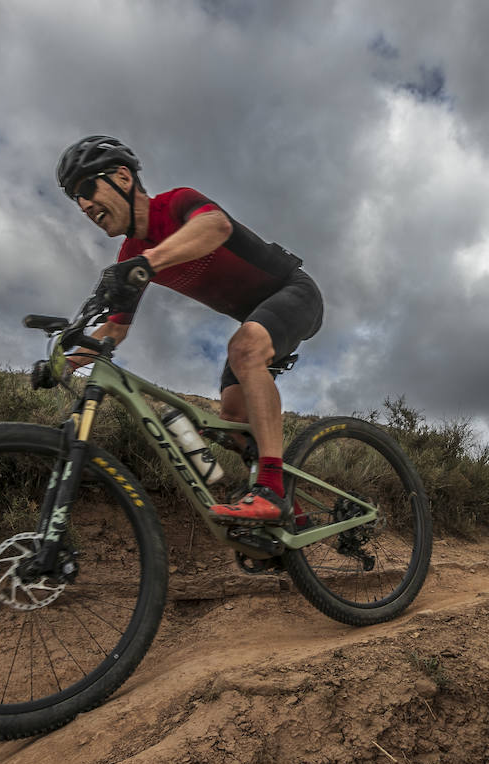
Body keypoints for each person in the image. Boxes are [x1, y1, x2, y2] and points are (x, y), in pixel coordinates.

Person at [56, 135, 322, 525]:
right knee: (232, 422)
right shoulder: (131, 255)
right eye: (75, 199)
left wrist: (148, 262)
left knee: (245, 348)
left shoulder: (175, 202)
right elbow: (115, 331)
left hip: (295, 293)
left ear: (123, 177)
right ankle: (292, 514)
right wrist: (61, 362)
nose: (83, 205)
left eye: (85, 188)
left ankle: (271, 490)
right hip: (256, 320)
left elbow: (215, 227)